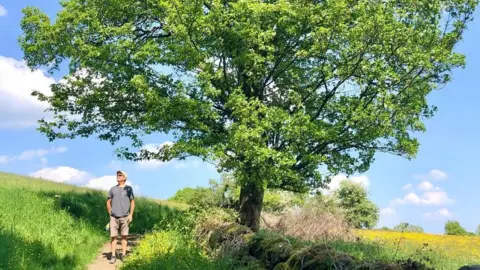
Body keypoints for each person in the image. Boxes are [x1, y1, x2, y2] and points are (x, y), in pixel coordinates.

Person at [106, 170, 135, 264]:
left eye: (120, 175)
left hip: (125, 217)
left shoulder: (129, 189)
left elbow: (132, 202)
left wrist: (130, 215)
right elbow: (108, 201)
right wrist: (110, 213)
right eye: (117, 175)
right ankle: (113, 255)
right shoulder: (112, 189)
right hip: (114, 217)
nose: (118, 176)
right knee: (113, 237)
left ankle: (123, 255)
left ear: (124, 178)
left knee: (124, 237)